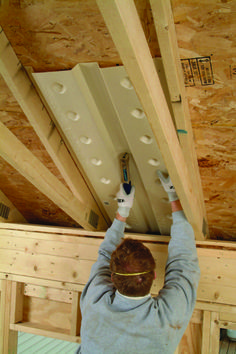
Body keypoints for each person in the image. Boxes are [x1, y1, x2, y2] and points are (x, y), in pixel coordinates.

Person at [76, 172, 200, 354]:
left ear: (113, 277)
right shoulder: (94, 304)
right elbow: (183, 266)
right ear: (154, 276)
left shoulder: (95, 301)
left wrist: (124, 210)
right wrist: (122, 212)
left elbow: (184, 266)